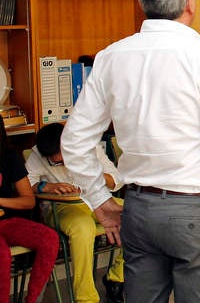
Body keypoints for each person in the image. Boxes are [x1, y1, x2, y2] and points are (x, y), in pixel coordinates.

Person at [61, 0, 200, 303]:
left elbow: (74, 140)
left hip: (138, 211)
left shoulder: (111, 57)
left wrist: (98, 200)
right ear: (190, 3)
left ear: (142, 2)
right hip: (195, 214)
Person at [26, 123, 126, 303]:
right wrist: (47, 186)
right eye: (56, 162)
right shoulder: (37, 155)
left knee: (137, 215)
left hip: (97, 200)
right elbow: (25, 185)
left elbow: (117, 179)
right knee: (82, 227)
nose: (63, 164)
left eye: (67, 159)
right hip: (61, 208)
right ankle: (86, 298)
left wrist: (96, 175)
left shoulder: (89, 147)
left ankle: (117, 277)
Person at [0, 122, 59, 303]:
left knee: (49, 239)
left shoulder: (9, 157)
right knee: (2, 256)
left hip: (7, 221)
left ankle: (32, 300)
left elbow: (28, 200)